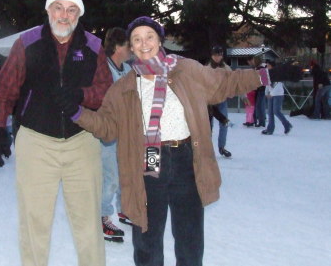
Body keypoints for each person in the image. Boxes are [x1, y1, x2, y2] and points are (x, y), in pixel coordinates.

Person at [54, 16, 301, 266]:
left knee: (189, 237)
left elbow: (226, 82)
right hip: (151, 157)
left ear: (160, 39)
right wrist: (77, 112)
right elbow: (106, 127)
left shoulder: (186, 70)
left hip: (186, 157)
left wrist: (266, 76)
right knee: (147, 236)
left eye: (149, 36)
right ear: (131, 46)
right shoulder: (124, 87)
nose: (144, 43)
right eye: (137, 39)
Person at [0, 0, 112, 266]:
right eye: (58, 7)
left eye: (71, 9)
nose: (64, 15)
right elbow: (4, 88)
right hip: (36, 141)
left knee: (87, 224)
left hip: (81, 141)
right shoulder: (27, 42)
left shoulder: (93, 46)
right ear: (48, 10)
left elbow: (107, 92)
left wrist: (80, 96)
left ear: (79, 14)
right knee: (35, 223)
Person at [100, 27, 132, 243]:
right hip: (108, 133)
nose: (132, 49)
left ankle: (124, 209)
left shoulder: (128, 69)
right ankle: (102, 218)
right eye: (128, 45)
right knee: (110, 177)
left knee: (126, 174)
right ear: (118, 47)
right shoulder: (102, 70)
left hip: (126, 132)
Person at [207, 45, 232, 158]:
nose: (217, 57)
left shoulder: (226, 68)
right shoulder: (207, 68)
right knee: (208, 126)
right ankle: (207, 149)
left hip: (222, 100)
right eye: (215, 55)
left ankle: (222, 147)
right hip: (210, 101)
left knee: (224, 123)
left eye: (219, 55)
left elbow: (233, 81)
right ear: (212, 55)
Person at [261, 60, 293, 135]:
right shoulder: (267, 73)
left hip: (278, 94)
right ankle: (270, 129)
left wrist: (271, 94)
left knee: (276, 111)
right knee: (270, 112)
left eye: (268, 65)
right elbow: (267, 84)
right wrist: (266, 93)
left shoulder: (278, 74)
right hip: (271, 94)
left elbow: (278, 86)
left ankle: (287, 124)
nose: (267, 67)